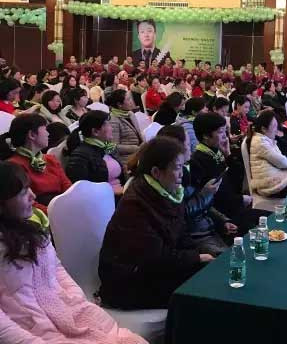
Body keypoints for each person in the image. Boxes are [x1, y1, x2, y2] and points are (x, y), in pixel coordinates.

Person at [0, 162, 147, 343]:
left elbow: (56, 269)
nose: (33, 196)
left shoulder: (32, 231)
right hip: (35, 334)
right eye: (23, 192)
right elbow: (3, 327)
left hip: (67, 312)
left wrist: (76, 300)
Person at [99, 137, 209, 310]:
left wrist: (200, 253)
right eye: (177, 167)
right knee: (201, 289)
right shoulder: (135, 204)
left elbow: (180, 235)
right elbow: (153, 258)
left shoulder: (168, 192)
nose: (182, 173)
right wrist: (196, 257)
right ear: (156, 172)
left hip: (155, 270)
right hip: (129, 283)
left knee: (209, 271)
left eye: (183, 166)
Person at [157, 125, 237, 257]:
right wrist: (206, 194)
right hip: (195, 237)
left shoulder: (189, 168)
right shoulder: (170, 178)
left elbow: (204, 208)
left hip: (208, 227)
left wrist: (222, 221)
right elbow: (181, 213)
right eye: (188, 144)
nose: (192, 148)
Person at [191, 113, 260, 232]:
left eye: (225, 131)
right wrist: (240, 199)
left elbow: (237, 179)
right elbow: (216, 198)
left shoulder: (216, 151)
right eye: (220, 132)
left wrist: (228, 154)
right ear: (206, 136)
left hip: (234, 206)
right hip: (222, 217)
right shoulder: (198, 160)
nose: (225, 136)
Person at [4, 114, 71, 212]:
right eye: (45, 129)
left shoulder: (50, 159)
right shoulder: (13, 167)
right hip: (42, 214)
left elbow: (68, 187)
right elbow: (28, 203)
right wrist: (54, 213)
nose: (48, 134)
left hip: (61, 208)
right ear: (32, 135)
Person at [65, 111, 123, 196]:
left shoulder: (107, 147)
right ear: (95, 132)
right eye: (107, 125)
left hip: (119, 192)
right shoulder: (80, 157)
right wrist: (113, 192)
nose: (112, 128)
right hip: (105, 198)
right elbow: (81, 191)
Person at [247, 110, 287, 200]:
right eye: (274, 126)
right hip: (271, 186)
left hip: (275, 180)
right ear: (264, 129)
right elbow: (281, 161)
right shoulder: (260, 142)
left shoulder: (265, 139)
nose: (276, 130)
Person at [106, 90, 144, 169]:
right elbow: (113, 147)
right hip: (127, 159)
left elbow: (139, 134)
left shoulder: (130, 114)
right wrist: (135, 148)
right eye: (128, 99)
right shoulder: (113, 120)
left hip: (139, 153)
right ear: (119, 104)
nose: (131, 102)